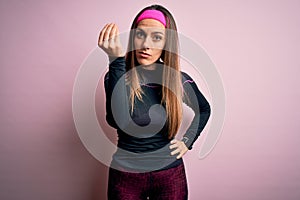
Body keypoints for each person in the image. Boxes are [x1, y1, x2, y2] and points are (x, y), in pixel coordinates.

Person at [98, 4, 211, 200]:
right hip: (126, 176)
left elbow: (204, 109)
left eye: (157, 37)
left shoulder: (178, 80)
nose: (146, 45)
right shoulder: (117, 75)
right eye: (140, 35)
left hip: (169, 176)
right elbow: (119, 121)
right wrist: (115, 60)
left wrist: (187, 141)